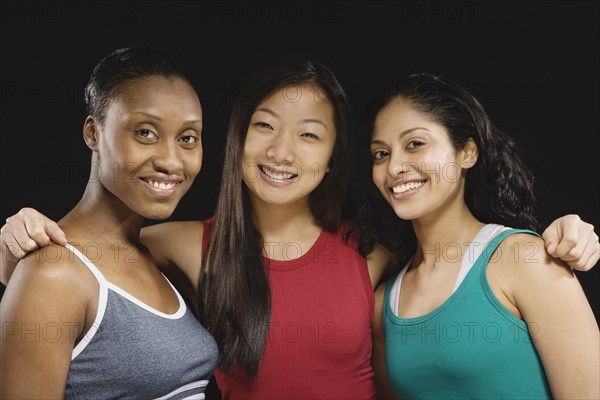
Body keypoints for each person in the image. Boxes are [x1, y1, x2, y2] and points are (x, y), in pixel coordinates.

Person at [1, 61, 598, 399]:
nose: (282, 150)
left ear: (336, 156)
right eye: (264, 126)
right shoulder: (178, 243)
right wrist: (19, 239)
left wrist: (564, 236)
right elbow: (84, 258)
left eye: (310, 134)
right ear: (236, 138)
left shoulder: (375, 259)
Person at [362, 73, 599, 399]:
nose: (394, 167)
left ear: (467, 153)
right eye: (381, 153)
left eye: (415, 144)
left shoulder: (525, 260)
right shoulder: (382, 304)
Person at [0, 47, 218, 399]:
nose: (170, 160)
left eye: (187, 138)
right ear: (93, 133)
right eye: (145, 132)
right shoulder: (52, 273)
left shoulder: (151, 256)